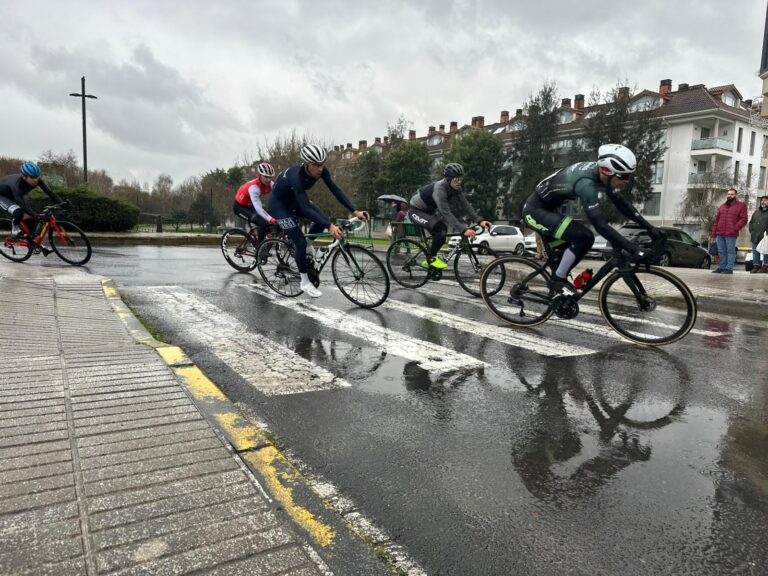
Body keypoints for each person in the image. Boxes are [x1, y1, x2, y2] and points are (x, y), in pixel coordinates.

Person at [523, 144, 659, 296]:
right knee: (585, 237)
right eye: (624, 176)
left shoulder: (601, 176)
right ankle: (558, 281)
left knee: (568, 253)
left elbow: (623, 205)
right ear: (607, 171)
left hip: (550, 209)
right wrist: (633, 249)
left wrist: (650, 228)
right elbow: (600, 225)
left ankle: (558, 291)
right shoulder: (586, 184)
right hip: (536, 211)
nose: (627, 181)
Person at [268, 144, 367, 298]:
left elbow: (336, 190)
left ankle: (305, 248)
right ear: (307, 164)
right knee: (301, 241)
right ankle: (304, 282)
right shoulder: (297, 177)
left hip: (294, 201)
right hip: (279, 206)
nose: (320, 169)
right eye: (316, 165)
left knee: (323, 220)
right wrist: (330, 226)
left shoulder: (321, 170)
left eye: (322, 165)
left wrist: (354, 210)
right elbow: (306, 208)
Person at [407, 162, 492, 268]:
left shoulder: (457, 188)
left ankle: (429, 259)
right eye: (456, 179)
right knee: (440, 229)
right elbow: (445, 212)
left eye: (460, 179)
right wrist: (464, 230)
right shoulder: (439, 189)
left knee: (441, 232)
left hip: (429, 211)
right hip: (416, 210)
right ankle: (431, 258)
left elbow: (466, 205)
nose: (459, 182)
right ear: (448, 179)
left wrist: (480, 220)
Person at [0, 162, 66, 238]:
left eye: (37, 177)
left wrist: (62, 203)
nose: (35, 180)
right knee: (18, 212)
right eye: (32, 177)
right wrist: (35, 215)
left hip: (17, 195)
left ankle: (31, 240)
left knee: (31, 218)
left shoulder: (37, 180)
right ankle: (15, 228)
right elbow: (20, 202)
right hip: (3, 196)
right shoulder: (16, 185)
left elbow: (50, 192)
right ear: (24, 177)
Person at [233, 162, 276, 243]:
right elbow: (259, 209)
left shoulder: (271, 184)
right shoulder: (254, 188)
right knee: (262, 223)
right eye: (266, 177)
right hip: (240, 207)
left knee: (267, 225)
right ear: (259, 176)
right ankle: (260, 249)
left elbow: (280, 196)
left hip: (250, 205)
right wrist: (271, 219)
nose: (268, 180)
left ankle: (262, 244)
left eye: (270, 177)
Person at [710, 188, 748, 274]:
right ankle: (721, 267)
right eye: (728, 194)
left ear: (735, 195)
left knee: (730, 251)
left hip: (731, 233)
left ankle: (729, 268)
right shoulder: (722, 206)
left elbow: (744, 219)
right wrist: (714, 233)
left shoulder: (741, 206)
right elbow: (717, 220)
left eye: (732, 194)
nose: (729, 196)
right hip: (720, 232)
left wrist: (735, 228)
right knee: (721, 251)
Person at [748, 195, 768, 273]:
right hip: (755, 236)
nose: (763, 201)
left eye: (765, 200)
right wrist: (752, 231)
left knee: (766, 251)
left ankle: (765, 267)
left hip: (766, 236)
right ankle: (756, 266)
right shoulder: (756, 212)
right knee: (755, 251)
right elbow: (751, 223)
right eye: (762, 200)